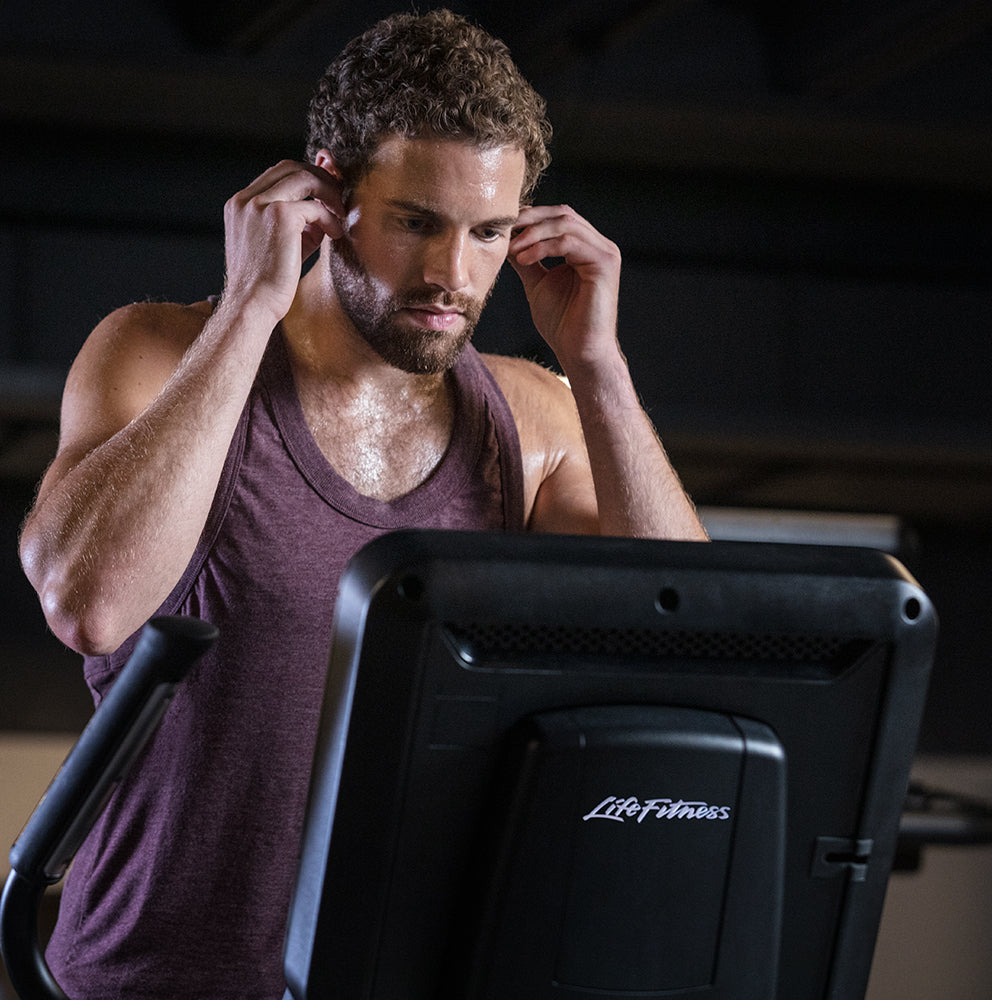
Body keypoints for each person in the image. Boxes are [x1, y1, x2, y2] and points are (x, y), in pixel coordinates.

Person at [19, 9, 707, 998]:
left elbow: (691, 643)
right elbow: (89, 601)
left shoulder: (534, 416)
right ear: (327, 190)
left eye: (488, 233)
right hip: (153, 979)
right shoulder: (159, 352)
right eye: (415, 222)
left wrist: (598, 370)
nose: (451, 276)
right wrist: (252, 305)